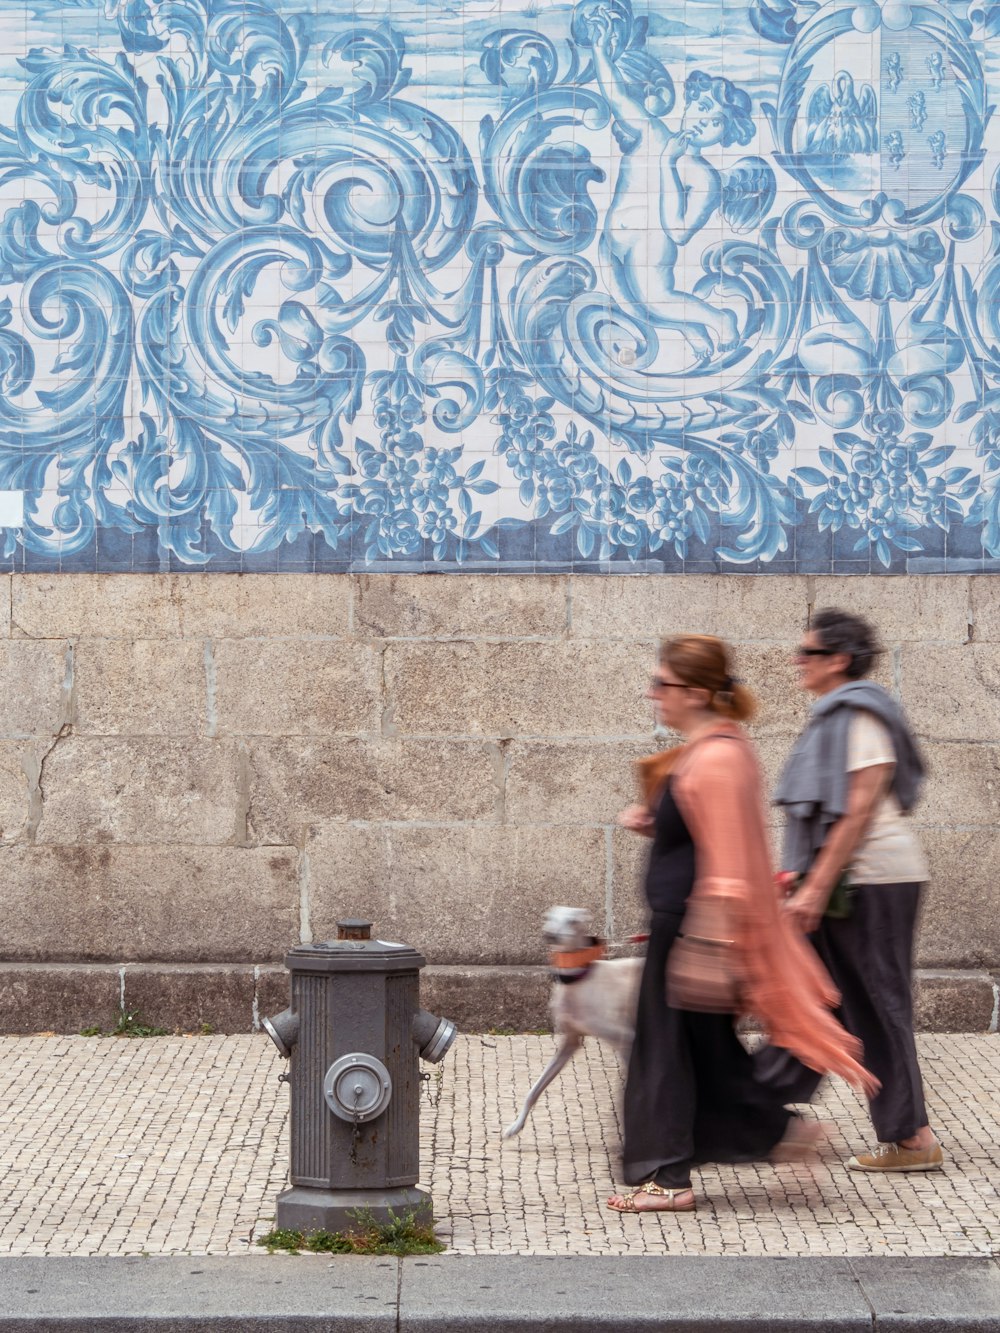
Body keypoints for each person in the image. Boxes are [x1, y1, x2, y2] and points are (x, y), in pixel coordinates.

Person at [607, 635, 877, 1214]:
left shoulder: (721, 756)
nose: (654, 694)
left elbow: (730, 862)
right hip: (680, 926)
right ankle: (773, 1132)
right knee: (698, 1054)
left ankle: (669, 1179)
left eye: (663, 684)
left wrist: (712, 942)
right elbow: (703, 836)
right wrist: (656, 827)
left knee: (667, 1057)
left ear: (697, 692)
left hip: (695, 932)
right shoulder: (705, 751)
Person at [767, 608, 943, 1173]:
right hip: (852, 880)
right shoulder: (835, 715)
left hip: (873, 880)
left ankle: (913, 1138)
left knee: (875, 1007)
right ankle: (760, 1113)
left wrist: (815, 886)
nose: (798, 661)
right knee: (821, 1001)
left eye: (808, 653)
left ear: (839, 660)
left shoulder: (859, 714)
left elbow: (859, 811)